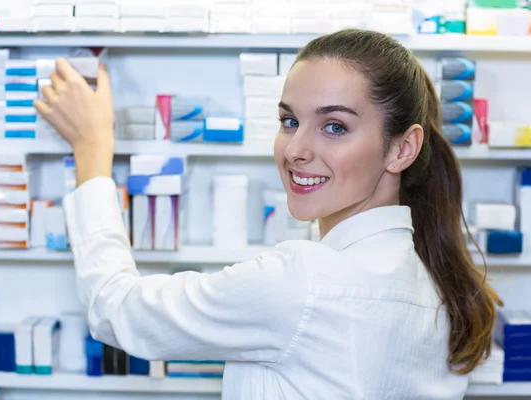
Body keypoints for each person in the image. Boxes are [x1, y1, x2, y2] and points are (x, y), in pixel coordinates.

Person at [34, 29, 501, 399]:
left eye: (334, 126)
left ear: (402, 149)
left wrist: (92, 152)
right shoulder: (442, 287)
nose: (295, 149)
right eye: (289, 121)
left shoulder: (301, 283)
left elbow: (117, 310)